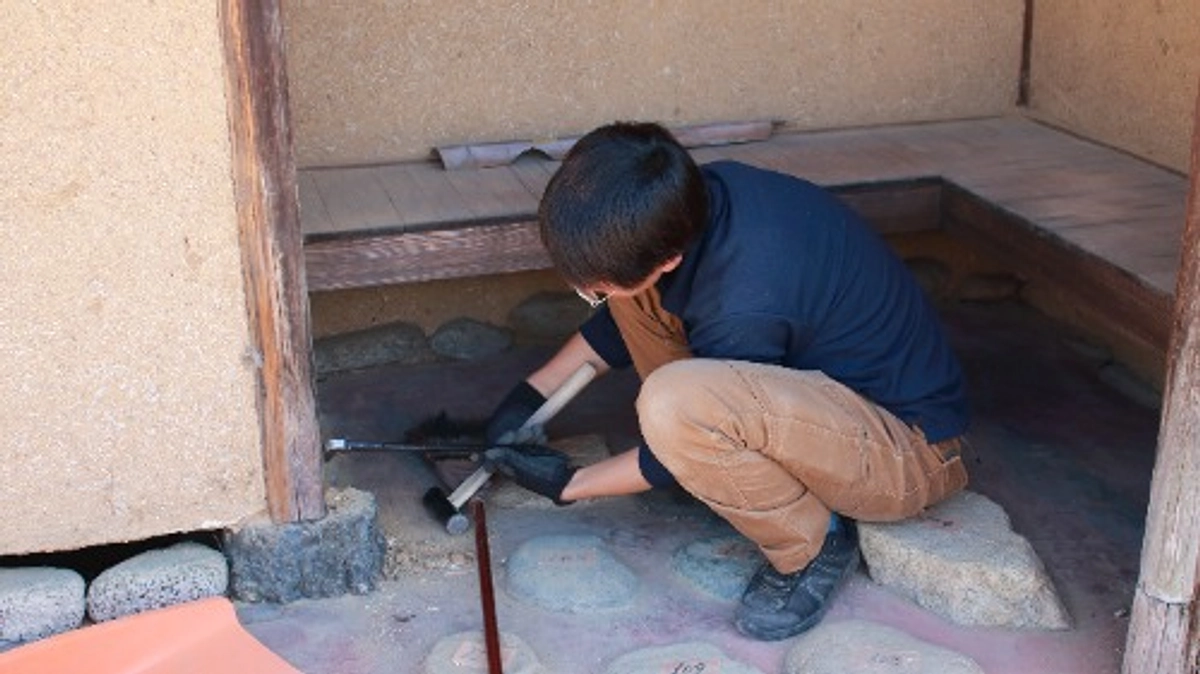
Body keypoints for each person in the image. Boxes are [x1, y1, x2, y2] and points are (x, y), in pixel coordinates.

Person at [483, 121, 969, 641]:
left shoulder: (745, 298)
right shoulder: (681, 203)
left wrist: (569, 486)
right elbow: (621, 322)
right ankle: (723, 473)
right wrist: (524, 405)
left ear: (670, 259)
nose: (586, 292)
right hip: (825, 409)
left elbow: (690, 428)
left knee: (677, 406)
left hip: (909, 451)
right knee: (632, 296)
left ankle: (813, 546)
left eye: (591, 289)